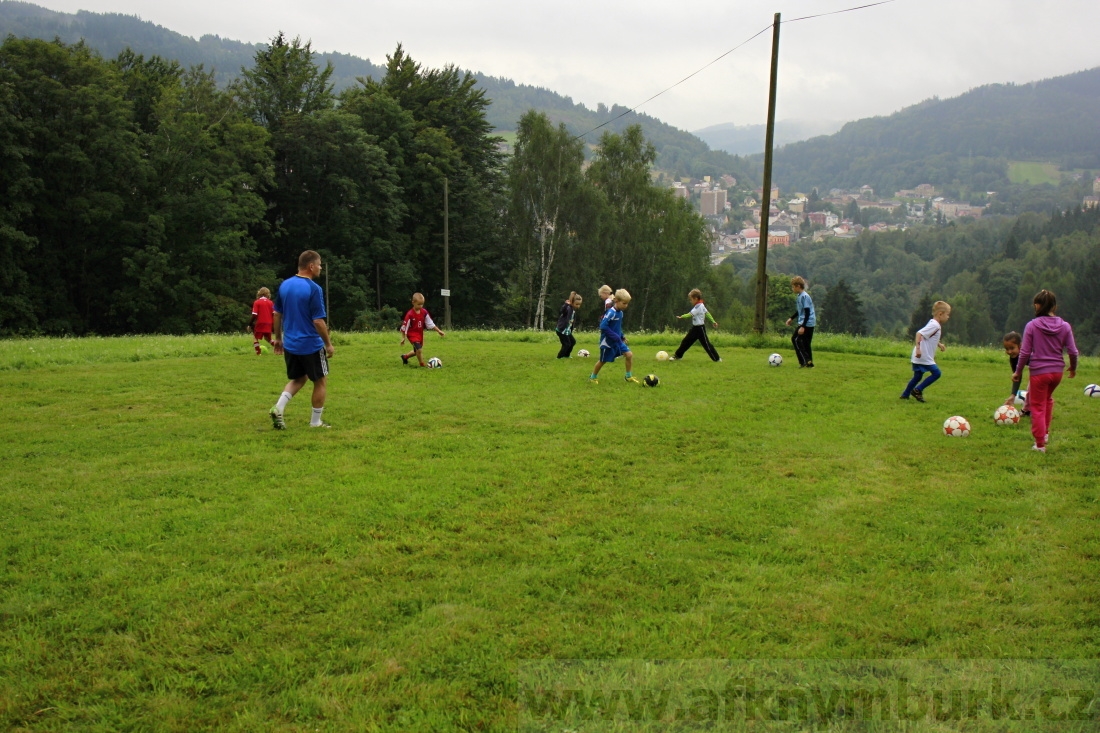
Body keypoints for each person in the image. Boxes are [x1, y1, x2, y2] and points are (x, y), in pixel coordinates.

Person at [269, 251, 334, 429]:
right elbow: (318, 321)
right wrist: (328, 344)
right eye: (319, 264)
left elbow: (277, 314)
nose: (320, 268)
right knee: (320, 381)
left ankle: (278, 408)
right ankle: (315, 422)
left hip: (290, 344)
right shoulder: (314, 289)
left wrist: (278, 339)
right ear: (311, 266)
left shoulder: (285, 285)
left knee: (298, 378)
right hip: (311, 344)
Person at [1012, 289, 1078, 453]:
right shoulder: (1065, 326)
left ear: (1037, 306)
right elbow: (1073, 351)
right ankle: (1045, 434)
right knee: (1047, 400)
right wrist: (1073, 367)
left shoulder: (1032, 325)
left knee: (1037, 406)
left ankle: (1039, 444)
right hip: (1057, 373)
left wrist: (1018, 371)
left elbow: (1025, 352)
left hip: (1039, 373)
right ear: (1054, 306)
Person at [900, 300, 951, 402]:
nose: (948, 317)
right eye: (947, 314)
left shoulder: (933, 323)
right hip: (923, 355)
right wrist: (918, 349)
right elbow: (919, 334)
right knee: (937, 373)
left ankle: (905, 395)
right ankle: (918, 390)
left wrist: (939, 344)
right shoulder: (935, 325)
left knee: (917, 377)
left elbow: (928, 337)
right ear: (940, 314)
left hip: (919, 356)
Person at [590, 289, 638, 384]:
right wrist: (615, 336)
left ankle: (628, 376)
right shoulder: (611, 313)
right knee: (603, 361)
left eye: (627, 303)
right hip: (607, 342)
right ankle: (593, 377)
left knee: (629, 355)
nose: (626, 306)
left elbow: (617, 327)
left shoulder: (620, 313)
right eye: (624, 303)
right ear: (616, 300)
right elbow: (603, 326)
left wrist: (622, 336)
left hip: (617, 341)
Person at [671, 288, 720, 361]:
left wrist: (682, 316)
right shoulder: (701, 305)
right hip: (695, 328)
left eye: (691, 299)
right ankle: (678, 356)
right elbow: (707, 313)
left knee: (707, 344)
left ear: (696, 298)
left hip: (700, 329)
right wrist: (713, 321)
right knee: (686, 341)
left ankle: (717, 359)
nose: (690, 301)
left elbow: (690, 314)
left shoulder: (698, 307)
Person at [400, 292, 445, 367]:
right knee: (419, 349)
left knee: (416, 351)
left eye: (422, 304)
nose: (420, 306)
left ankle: (405, 357)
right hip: (412, 334)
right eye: (419, 304)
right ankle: (422, 365)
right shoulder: (410, 314)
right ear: (413, 303)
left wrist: (439, 331)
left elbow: (430, 323)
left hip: (420, 334)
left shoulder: (424, 312)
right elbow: (405, 326)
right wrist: (403, 338)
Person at [785, 276, 816, 368]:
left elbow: (807, 312)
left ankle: (804, 361)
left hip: (807, 322)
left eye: (793, 286)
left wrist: (803, 326)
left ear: (798, 286)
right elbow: (800, 311)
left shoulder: (804, 296)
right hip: (807, 322)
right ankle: (809, 363)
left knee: (796, 339)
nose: (792, 289)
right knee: (805, 343)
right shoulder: (800, 296)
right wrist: (791, 318)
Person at [1001, 331, 1031, 416]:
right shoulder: (1014, 358)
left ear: (1020, 346)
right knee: (1031, 389)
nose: (1009, 352)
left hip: (1044, 368)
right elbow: (1017, 376)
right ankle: (1027, 410)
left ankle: (1036, 412)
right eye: (1007, 349)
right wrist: (1013, 395)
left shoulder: (1029, 352)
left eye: (1012, 348)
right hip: (1036, 369)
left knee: (1034, 389)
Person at [555, 292, 583, 358]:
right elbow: (562, 311)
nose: (578, 306)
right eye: (576, 304)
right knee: (566, 344)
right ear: (572, 302)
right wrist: (565, 304)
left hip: (567, 330)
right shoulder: (568, 308)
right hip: (562, 330)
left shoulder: (573, 310)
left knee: (573, 342)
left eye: (579, 304)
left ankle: (566, 355)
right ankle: (559, 357)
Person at [249, 287, 275, 355]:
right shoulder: (271, 302)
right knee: (268, 338)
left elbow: (254, 314)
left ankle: (258, 352)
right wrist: (273, 325)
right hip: (269, 323)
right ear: (268, 294)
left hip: (260, 322)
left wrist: (250, 324)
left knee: (255, 337)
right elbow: (273, 314)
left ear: (259, 293)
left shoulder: (257, 302)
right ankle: (280, 348)